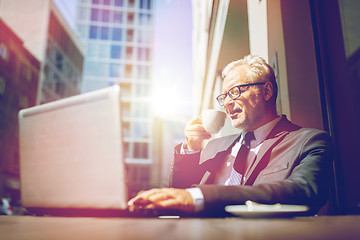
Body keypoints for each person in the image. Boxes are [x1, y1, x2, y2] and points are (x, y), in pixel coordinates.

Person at [128, 54, 333, 215]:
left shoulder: (308, 141)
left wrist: (202, 197)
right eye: (224, 96)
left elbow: (304, 192)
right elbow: (180, 192)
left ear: (267, 91)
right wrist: (191, 150)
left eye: (235, 92)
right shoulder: (214, 147)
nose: (227, 102)